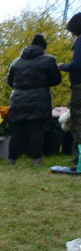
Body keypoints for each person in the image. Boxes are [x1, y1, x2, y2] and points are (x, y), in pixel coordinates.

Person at [7, 34, 61, 167]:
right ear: (43, 48)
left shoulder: (16, 62)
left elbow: (10, 82)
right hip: (40, 97)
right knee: (37, 129)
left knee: (18, 130)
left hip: (18, 98)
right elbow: (56, 80)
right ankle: (37, 160)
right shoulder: (49, 60)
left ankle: (11, 160)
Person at [59, 13, 81, 166]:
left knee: (77, 119)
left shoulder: (80, 41)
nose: (71, 34)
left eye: (71, 30)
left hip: (79, 86)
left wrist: (62, 66)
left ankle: (79, 158)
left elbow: (77, 65)